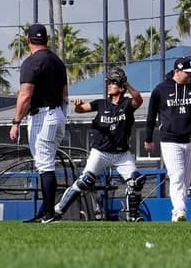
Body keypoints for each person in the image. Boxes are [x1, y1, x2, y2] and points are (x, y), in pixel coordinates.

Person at [57, 68, 145, 221]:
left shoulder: (127, 104)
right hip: (101, 152)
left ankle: (133, 216)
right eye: (109, 83)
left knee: (136, 181)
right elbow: (80, 110)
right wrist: (78, 105)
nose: (109, 85)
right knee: (86, 181)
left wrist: (126, 83)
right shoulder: (101, 104)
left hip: (121, 154)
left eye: (113, 83)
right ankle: (58, 210)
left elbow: (139, 99)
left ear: (121, 87)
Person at [10, 23, 68, 222]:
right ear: (46, 40)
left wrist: (16, 121)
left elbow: (25, 95)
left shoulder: (31, 62)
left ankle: (50, 213)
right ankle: (46, 210)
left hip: (42, 116)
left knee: (45, 165)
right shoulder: (57, 61)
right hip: (58, 113)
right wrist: (62, 115)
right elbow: (65, 94)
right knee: (47, 163)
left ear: (28, 41)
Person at [143, 57, 191, 222]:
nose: (190, 76)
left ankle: (178, 214)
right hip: (170, 140)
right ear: (177, 71)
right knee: (176, 175)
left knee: (185, 179)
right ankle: (180, 211)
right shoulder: (161, 90)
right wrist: (148, 138)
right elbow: (151, 116)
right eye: (187, 73)